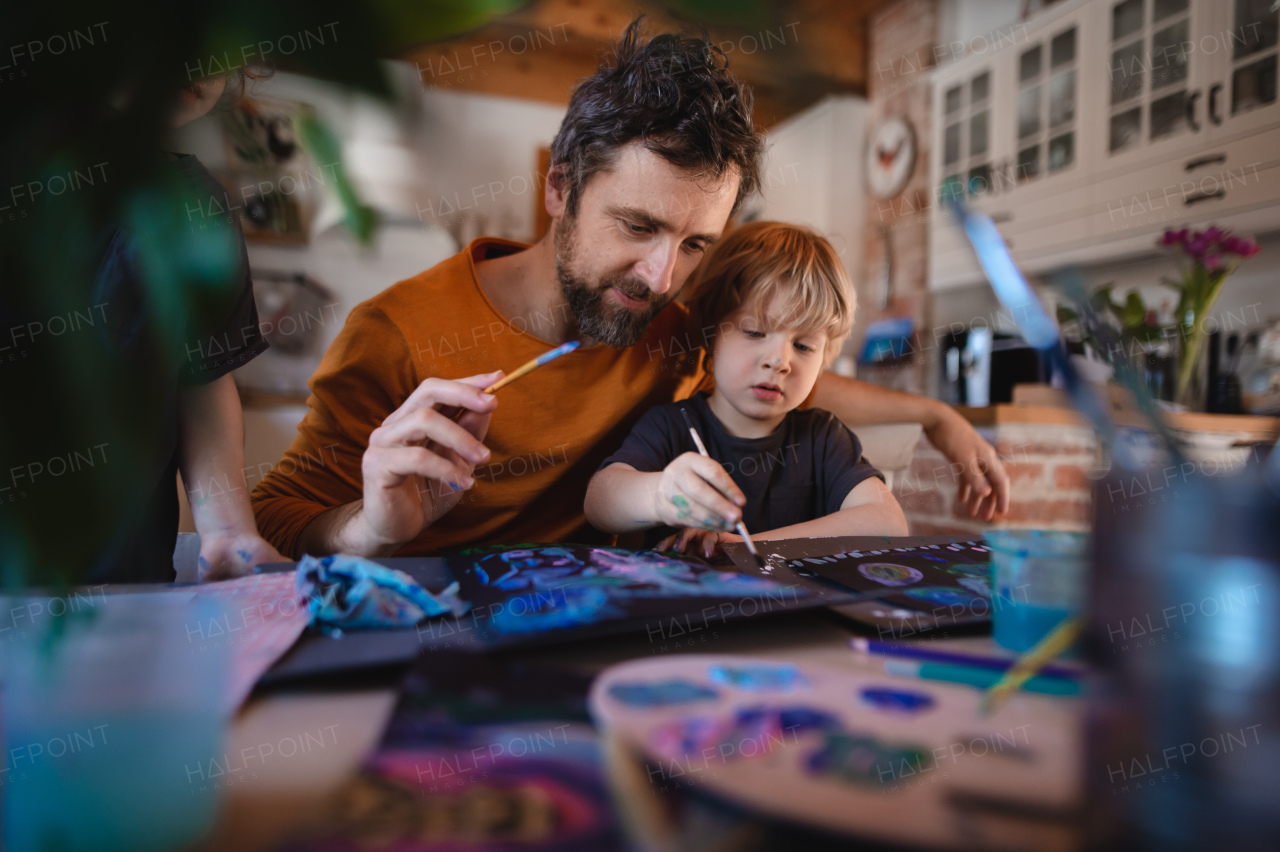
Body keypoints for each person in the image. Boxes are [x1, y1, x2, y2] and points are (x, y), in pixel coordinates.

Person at [250, 21, 1006, 561]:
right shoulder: (395, 329)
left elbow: (778, 377)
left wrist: (937, 415)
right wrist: (371, 529)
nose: (662, 277)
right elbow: (276, 516)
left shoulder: (665, 330)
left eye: (695, 243)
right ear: (558, 189)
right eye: (638, 225)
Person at [585, 221, 907, 558]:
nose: (780, 361)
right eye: (754, 333)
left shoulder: (824, 438)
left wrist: (747, 548)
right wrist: (660, 495)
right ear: (710, 335)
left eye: (803, 346)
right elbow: (599, 502)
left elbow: (888, 524)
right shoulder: (672, 426)